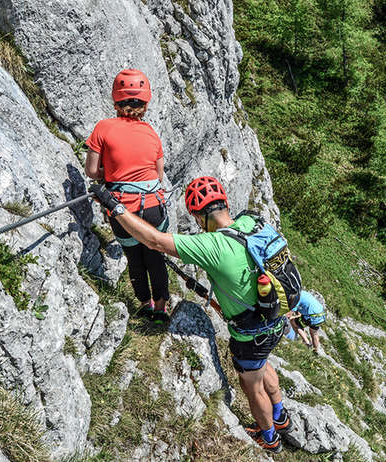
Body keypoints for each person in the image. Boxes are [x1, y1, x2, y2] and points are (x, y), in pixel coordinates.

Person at [89, 177, 291, 453]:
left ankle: (270, 438)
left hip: (251, 335)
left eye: (197, 219)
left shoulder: (213, 246)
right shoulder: (252, 223)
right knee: (264, 363)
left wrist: (115, 206)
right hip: (276, 316)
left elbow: (155, 241)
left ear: (200, 216)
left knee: (252, 387)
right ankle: (281, 417)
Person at [84, 69, 170, 323]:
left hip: (122, 209)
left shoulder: (103, 128)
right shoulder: (151, 132)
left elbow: (91, 171)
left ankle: (145, 303)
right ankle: (161, 308)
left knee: (134, 257)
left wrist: (110, 173)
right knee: (155, 255)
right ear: (145, 103)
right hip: (154, 206)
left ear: (116, 99)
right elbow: (159, 174)